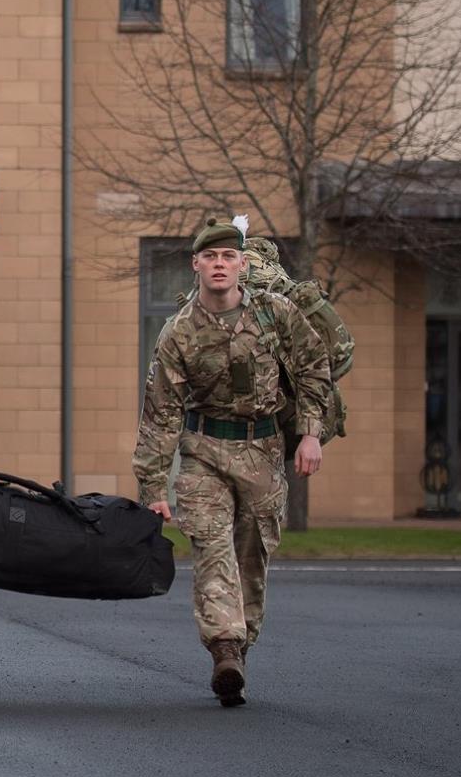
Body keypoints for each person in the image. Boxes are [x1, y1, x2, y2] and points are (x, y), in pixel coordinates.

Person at [133, 216, 331, 706]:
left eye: (228, 257)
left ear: (242, 264)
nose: (219, 266)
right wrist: (153, 489)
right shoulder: (178, 333)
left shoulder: (276, 313)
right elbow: (160, 415)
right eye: (210, 258)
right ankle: (224, 647)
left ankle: (240, 645)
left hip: (263, 450)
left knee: (251, 557)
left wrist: (310, 434)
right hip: (202, 454)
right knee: (213, 549)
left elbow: (314, 368)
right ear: (195, 265)